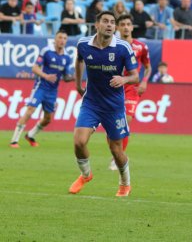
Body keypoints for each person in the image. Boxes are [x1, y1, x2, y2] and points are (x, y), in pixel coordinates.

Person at [69, 11, 139, 197]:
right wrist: (78, 84)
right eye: (106, 21)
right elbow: (79, 60)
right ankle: (86, 175)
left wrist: (124, 80)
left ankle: (125, 183)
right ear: (97, 25)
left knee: (116, 150)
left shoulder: (123, 48)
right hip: (91, 103)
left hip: (114, 106)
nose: (110, 25)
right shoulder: (84, 44)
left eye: (112, 22)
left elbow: (135, 76)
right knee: (79, 141)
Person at [10, 30, 73, 148]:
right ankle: (14, 140)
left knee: (48, 119)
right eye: (60, 37)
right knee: (30, 110)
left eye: (64, 38)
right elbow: (34, 68)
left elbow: (66, 76)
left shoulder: (67, 58)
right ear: (55, 39)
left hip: (52, 91)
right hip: (41, 87)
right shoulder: (47, 51)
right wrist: (46, 76)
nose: (62, 40)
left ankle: (30, 135)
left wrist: (73, 77)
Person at [108, 14, 151, 170]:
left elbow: (148, 67)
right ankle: (116, 153)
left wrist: (144, 82)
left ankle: (117, 157)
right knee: (114, 125)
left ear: (132, 27)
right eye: (123, 24)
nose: (126, 27)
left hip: (132, 88)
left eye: (128, 24)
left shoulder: (141, 47)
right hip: (114, 87)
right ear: (118, 28)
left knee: (126, 122)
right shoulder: (112, 46)